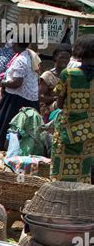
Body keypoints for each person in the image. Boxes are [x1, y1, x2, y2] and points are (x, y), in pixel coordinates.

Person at [51, 35, 94, 184]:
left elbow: (60, 104)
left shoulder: (68, 74)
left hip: (68, 131)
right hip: (90, 133)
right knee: (83, 171)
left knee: (61, 170)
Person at [0, 42, 40, 152]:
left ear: (16, 44)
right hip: (30, 99)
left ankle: (0, 151)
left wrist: (3, 82)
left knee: (4, 127)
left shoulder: (21, 59)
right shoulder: (30, 56)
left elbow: (17, 82)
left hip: (16, 99)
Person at [39, 44, 71, 120]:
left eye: (67, 58)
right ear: (55, 57)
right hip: (49, 111)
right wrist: (56, 98)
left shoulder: (70, 75)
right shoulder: (48, 76)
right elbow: (40, 97)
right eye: (61, 57)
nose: (64, 60)